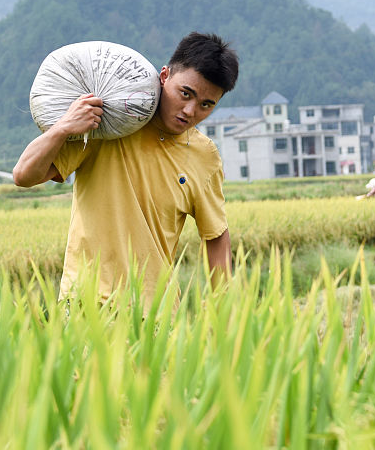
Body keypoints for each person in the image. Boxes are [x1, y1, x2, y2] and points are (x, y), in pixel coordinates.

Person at [13, 32, 239, 303]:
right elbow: (24, 176)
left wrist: (224, 313)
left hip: (155, 310)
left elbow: (216, 236)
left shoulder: (204, 156)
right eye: (185, 94)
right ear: (164, 76)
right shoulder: (108, 125)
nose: (190, 111)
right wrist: (63, 127)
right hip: (86, 301)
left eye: (206, 105)